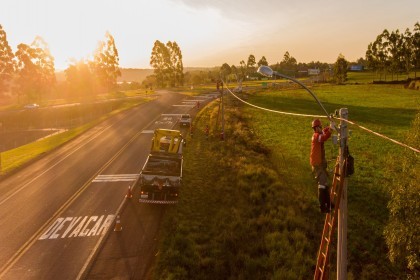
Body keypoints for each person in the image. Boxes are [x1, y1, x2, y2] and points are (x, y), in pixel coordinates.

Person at [310, 119, 334, 213]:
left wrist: (330, 126)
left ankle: (329, 204)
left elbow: (324, 131)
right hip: (317, 165)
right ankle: (322, 207)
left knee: (325, 184)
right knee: (322, 185)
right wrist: (331, 130)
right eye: (320, 126)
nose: (322, 128)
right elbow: (324, 137)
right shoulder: (317, 136)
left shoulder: (318, 133)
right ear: (316, 128)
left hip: (319, 164)